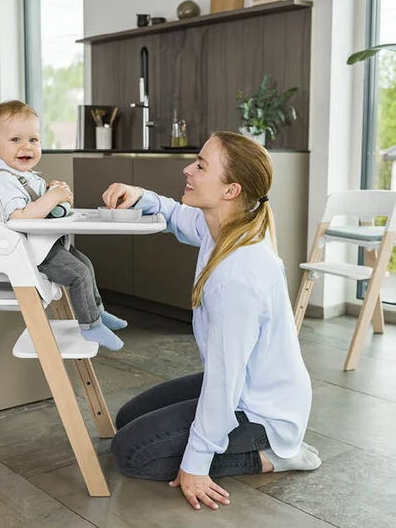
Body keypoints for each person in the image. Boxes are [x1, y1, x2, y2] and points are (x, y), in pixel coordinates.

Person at [103, 131, 319, 511]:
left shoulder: (238, 274)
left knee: (132, 453)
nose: (188, 168)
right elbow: (176, 215)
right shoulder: (225, 226)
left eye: (201, 165)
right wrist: (142, 195)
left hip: (261, 409)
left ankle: (279, 454)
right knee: (127, 419)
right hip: (245, 385)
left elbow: (224, 380)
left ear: (230, 190)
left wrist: (197, 465)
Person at [0, 100, 128, 349]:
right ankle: (91, 327)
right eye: (16, 140)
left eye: (33, 140)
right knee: (78, 275)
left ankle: (97, 312)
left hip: (47, 243)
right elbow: (18, 217)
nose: (26, 146)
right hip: (32, 252)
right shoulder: (3, 179)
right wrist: (51, 199)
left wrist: (51, 191)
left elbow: (38, 207)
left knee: (85, 264)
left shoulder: (23, 176)